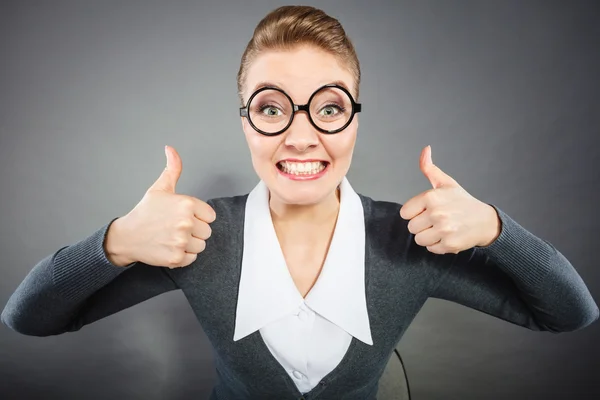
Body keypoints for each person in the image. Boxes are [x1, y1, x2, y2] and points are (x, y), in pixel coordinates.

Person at [1, 5, 598, 400]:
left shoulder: (412, 242)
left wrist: (496, 229)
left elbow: (569, 314)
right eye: (271, 107)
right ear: (247, 123)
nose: (302, 134)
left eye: (330, 107)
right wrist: (115, 242)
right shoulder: (199, 239)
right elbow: (29, 319)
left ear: (354, 121)